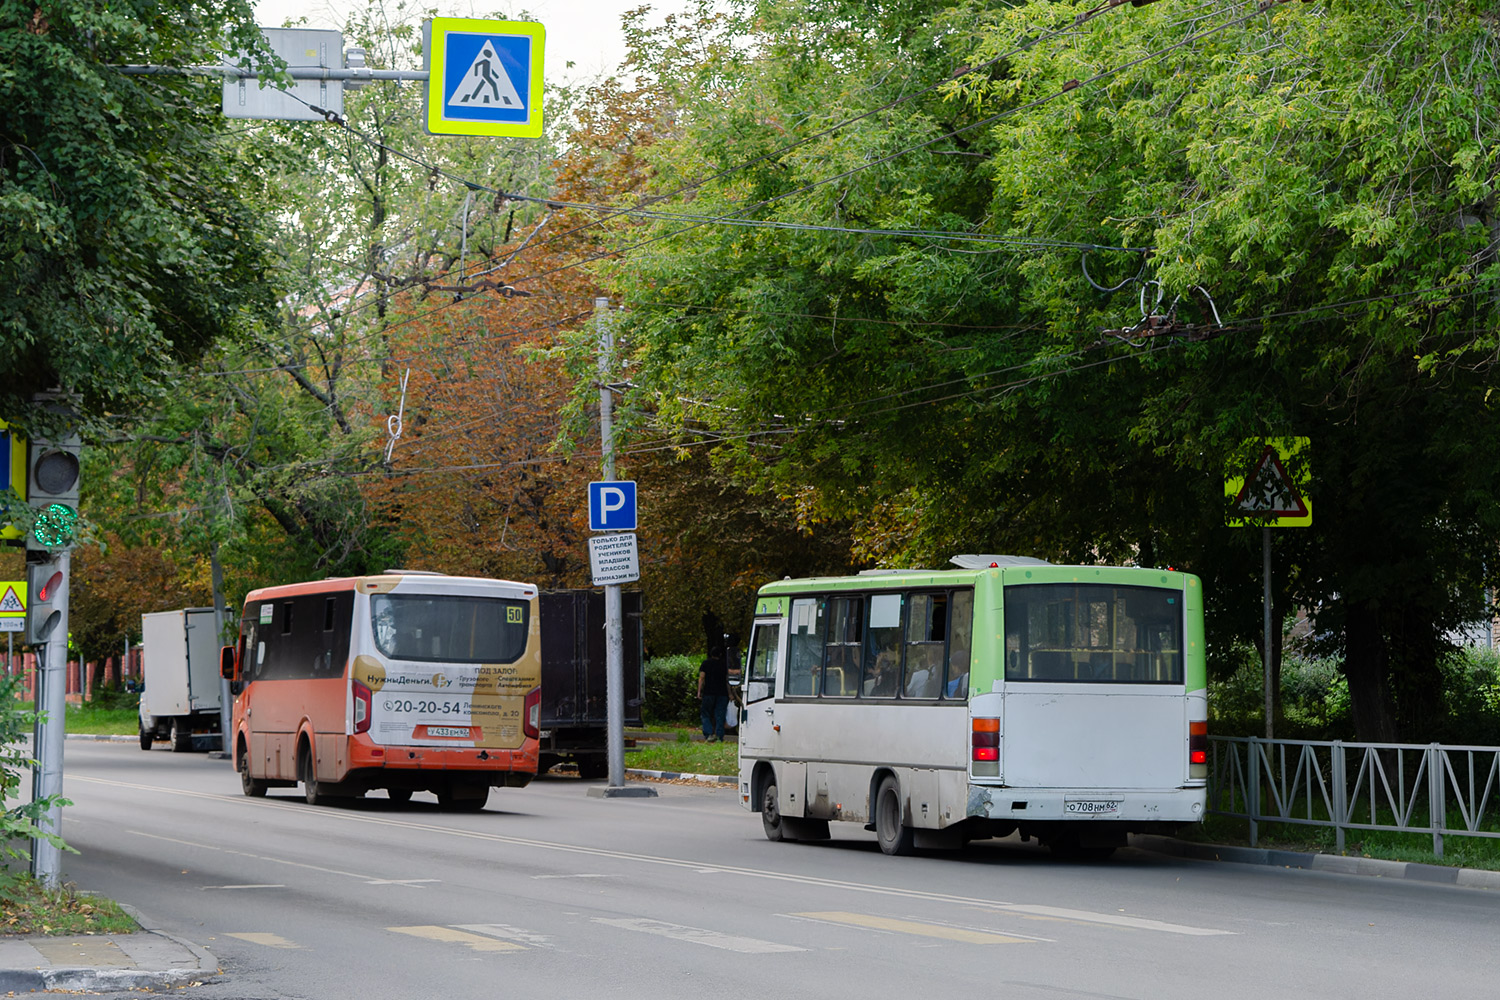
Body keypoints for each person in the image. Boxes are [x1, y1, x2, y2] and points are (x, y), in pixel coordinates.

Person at [698, 646, 730, 742]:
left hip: (709, 692)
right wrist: (730, 693)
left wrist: (699, 691)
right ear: (720, 655)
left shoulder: (705, 663)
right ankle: (719, 736)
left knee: (705, 713)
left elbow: (701, 678)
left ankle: (709, 734)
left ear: (711, 654)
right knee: (720, 714)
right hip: (722, 693)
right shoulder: (724, 665)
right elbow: (727, 680)